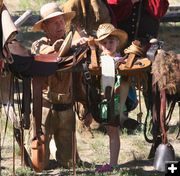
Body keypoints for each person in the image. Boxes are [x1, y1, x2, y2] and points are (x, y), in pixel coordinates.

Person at [30, 2, 89, 169]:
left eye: (62, 21)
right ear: (45, 27)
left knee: (70, 163)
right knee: (39, 163)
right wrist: (71, 45)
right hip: (44, 108)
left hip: (66, 107)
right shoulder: (39, 45)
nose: (60, 25)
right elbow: (49, 53)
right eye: (54, 22)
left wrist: (81, 45)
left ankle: (67, 160)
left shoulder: (73, 46)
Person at [89, 23, 128, 167]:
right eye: (104, 43)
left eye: (111, 41)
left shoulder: (121, 61)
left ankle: (113, 163)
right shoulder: (97, 61)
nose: (108, 45)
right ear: (99, 45)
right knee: (110, 130)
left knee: (113, 130)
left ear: (117, 42)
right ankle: (112, 162)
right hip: (104, 100)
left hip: (117, 100)